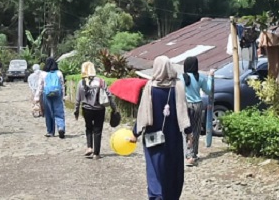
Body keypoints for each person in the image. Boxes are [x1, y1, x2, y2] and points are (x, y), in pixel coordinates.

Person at [129, 56, 191, 200]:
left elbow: (143, 114)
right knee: (172, 168)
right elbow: (184, 111)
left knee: (155, 169)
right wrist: (189, 132)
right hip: (173, 137)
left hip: (153, 138)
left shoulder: (150, 87)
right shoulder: (178, 86)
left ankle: (157, 196)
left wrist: (135, 134)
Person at [74, 61, 117, 159]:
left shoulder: (81, 83)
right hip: (99, 109)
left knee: (88, 128)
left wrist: (76, 111)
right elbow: (109, 96)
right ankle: (96, 154)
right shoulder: (101, 81)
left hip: (86, 109)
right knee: (98, 130)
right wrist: (114, 108)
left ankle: (89, 147)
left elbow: (77, 99)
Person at [181, 56, 213, 167]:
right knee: (196, 129)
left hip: (185, 105)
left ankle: (186, 154)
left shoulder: (181, 77)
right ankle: (193, 155)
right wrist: (210, 77)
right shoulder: (200, 77)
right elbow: (208, 90)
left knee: (185, 129)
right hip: (198, 105)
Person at [34, 57, 66, 138]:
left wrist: (37, 97)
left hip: (47, 95)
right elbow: (62, 86)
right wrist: (63, 96)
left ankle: (50, 131)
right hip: (57, 94)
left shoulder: (43, 73)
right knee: (59, 112)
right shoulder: (59, 73)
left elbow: (40, 86)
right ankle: (61, 127)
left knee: (48, 113)